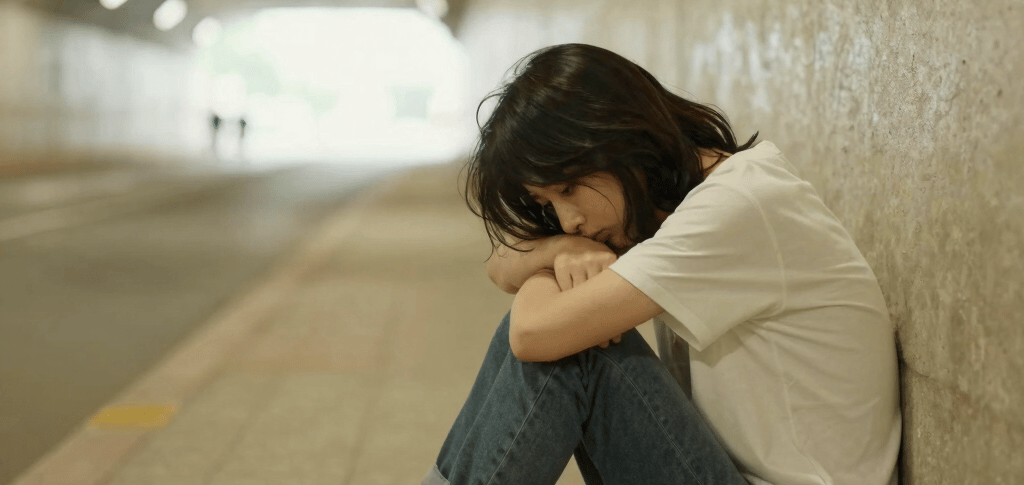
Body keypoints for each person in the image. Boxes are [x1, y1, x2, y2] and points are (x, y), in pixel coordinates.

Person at [423, 43, 901, 485]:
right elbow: (501, 265)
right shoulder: (661, 211)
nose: (568, 220)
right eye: (547, 204)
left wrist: (550, 271)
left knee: (577, 351)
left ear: (619, 139)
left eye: (568, 188)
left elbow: (532, 335)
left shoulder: (736, 207)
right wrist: (559, 252)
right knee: (554, 324)